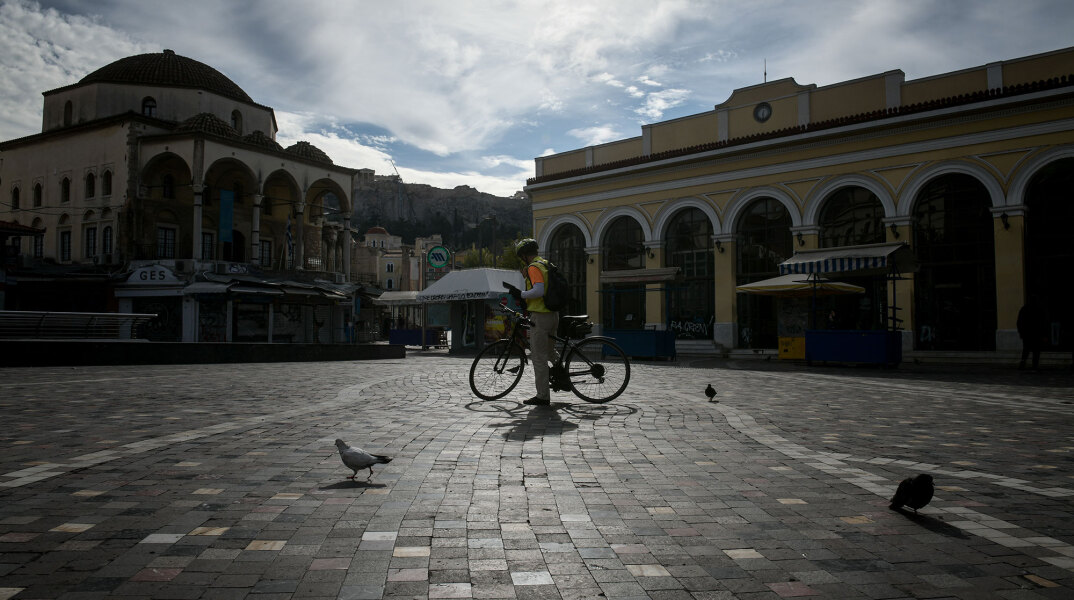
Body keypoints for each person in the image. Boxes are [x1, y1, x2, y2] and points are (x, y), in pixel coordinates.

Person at [511, 238, 560, 406]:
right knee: (550, 351)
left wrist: (521, 294)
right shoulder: (545, 264)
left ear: (524, 255)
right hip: (553, 315)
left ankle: (542, 396)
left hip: (540, 316)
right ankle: (562, 375)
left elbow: (538, 290)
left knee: (538, 357)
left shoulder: (533, 267)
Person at [1017, 296, 1046, 371]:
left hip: (1027, 334)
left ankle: (1023, 363)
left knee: (1026, 349)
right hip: (1036, 334)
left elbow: (1019, 322)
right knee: (1036, 350)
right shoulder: (1039, 309)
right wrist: (1043, 334)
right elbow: (1042, 323)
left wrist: (1021, 332)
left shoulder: (1024, 309)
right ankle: (1034, 365)